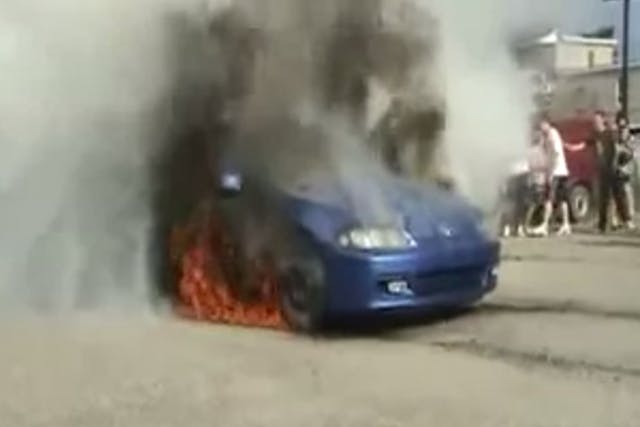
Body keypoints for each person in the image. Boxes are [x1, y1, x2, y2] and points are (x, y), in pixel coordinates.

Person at [529, 116, 572, 237]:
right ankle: (566, 224)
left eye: (542, 125)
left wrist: (550, 172)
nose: (541, 128)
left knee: (549, 198)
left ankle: (545, 225)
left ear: (547, 123)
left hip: (557, 172)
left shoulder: (553, 135)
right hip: (562, 171)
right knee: (562, 199)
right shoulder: (547, 136)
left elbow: (556, 153)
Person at [589, 111, 631, 233]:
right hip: (603, 170)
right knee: (603, 199)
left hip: (613, 169)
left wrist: (617, 164)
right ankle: (602, 225)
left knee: (619, 196)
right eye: (594, 121)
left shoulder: (609, 133)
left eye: (597, 120)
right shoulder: (596, 136)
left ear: (603, 120)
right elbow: (590, 148)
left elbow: (617, 148)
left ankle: (626, 220)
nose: (595, 123)